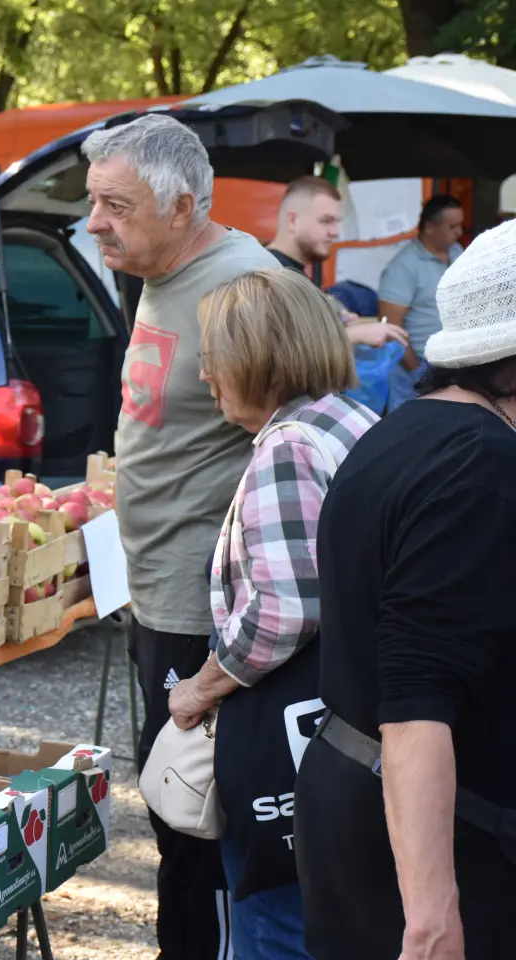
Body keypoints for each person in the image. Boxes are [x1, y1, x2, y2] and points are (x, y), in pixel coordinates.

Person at [83, 112, 277, 960]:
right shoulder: (166, 271)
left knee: (203, 823)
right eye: (94, 202)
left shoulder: (244, 287)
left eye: (115, 206)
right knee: (172, 811)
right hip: (157, 586)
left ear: (184, 205)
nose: (95, 224)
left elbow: (292, 442)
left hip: (208, 604)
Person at [296, 218, 516, 959]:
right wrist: (431, 919)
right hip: (428, 840)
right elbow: (416, 698)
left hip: (360, 802)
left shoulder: (405, 430)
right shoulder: (481, 466)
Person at [167, 268, 377, 959]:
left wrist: (199, 687)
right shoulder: (351, 419)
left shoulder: (288, 448)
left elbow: (287, 608)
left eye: (214, 356)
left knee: (280, 923)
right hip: (357, 734)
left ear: (259, 357)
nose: (205, 375)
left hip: (294, 748)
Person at [268, 176, 410, 351]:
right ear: (292, 221)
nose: (335, 232)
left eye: (337, 222)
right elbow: (279, 349)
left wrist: (335, 320)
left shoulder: (291, 272)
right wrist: (354, 335)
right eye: (326, 221)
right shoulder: (269, 277)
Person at [377, 193, 464, 410]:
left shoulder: (458, 253)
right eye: (452, 227)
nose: (459, 232)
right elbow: (390, 326)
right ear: (430, 227)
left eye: (460, 225)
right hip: (418, 365)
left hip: (453, 363)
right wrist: (416, 371)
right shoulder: (403, 267)